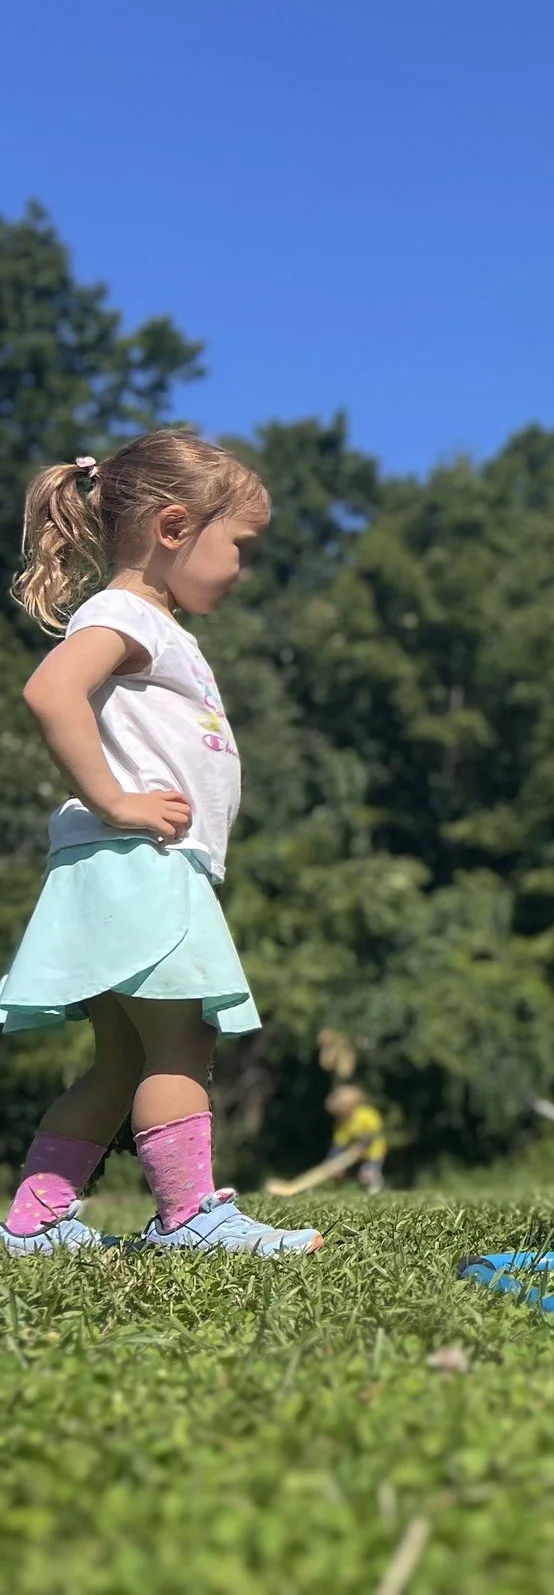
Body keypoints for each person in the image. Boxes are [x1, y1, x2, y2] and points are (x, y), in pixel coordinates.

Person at [1, 430, 320, 1257]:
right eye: (240, 547)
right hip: (140, 865)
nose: (243, 568)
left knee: (119, 1059)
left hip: (123, 870)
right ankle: (190, 1216)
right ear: (175, 527)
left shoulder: (152, 624)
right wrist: (115, 798)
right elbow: (50, 689)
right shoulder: (126, 615)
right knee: (184, 1037)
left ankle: (35, 1222)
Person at [325, 1083, 387, 1192]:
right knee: (360, 1177)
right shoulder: (343, 1123)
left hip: (374, 1151)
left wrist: (362, 1144)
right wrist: (333, 1161)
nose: (339, 1118)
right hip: (357, 1152)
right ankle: (364, 1186)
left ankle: (375, 1186)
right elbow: (339, 1143)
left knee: (367, 1174)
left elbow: (374, 1132)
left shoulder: (366, 1114)